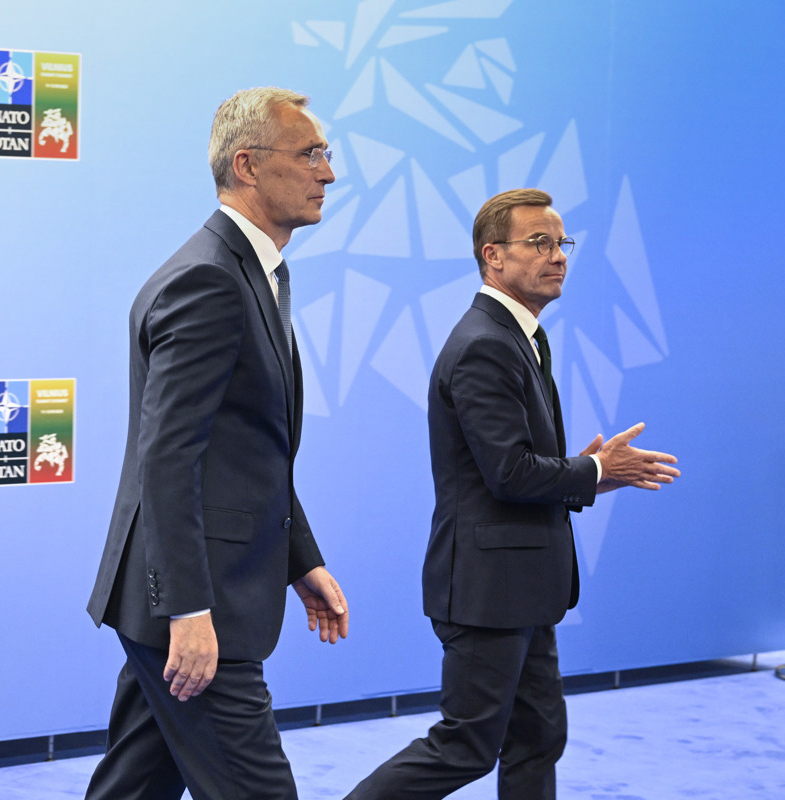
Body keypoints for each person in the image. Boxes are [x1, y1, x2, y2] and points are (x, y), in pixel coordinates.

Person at [343, 189, 680, 800]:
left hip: (523, 586)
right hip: (487, 590)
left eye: (562, 244)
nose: (558, 256)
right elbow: (510, 473)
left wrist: (587, 468)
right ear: (492, 256)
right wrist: (596, 470)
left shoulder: (520, 337)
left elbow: (515, 466)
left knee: (538, 736)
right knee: (466, 746)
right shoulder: (484, 345)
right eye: (540, 243)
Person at [84, 87, 350, 800]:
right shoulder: (210, 279)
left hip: (190, 595)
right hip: (197, 606)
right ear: (249, 166)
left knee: (134, 788)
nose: (329, 172)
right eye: (312, 155)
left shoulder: (249, 273)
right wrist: (188, 611)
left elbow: (244, 449)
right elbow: (168, 458)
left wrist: (303, 558)